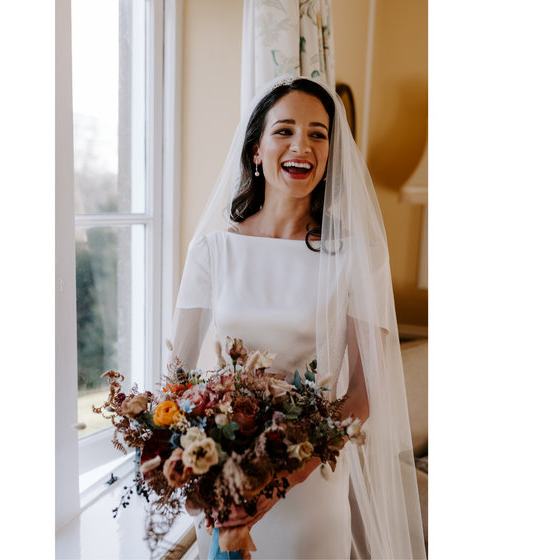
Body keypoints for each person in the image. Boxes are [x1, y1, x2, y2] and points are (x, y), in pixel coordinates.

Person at [168, 76, 425, 559]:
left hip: (311, 487)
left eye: (318, 133)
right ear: (256, 151)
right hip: (227, 485)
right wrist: (198, 471)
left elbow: (365, 394)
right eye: (284, 130)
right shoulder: (211, 251)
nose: (301, 144)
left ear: (330, 157)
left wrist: (283, 479)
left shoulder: (355, 258)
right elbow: (177, 381)